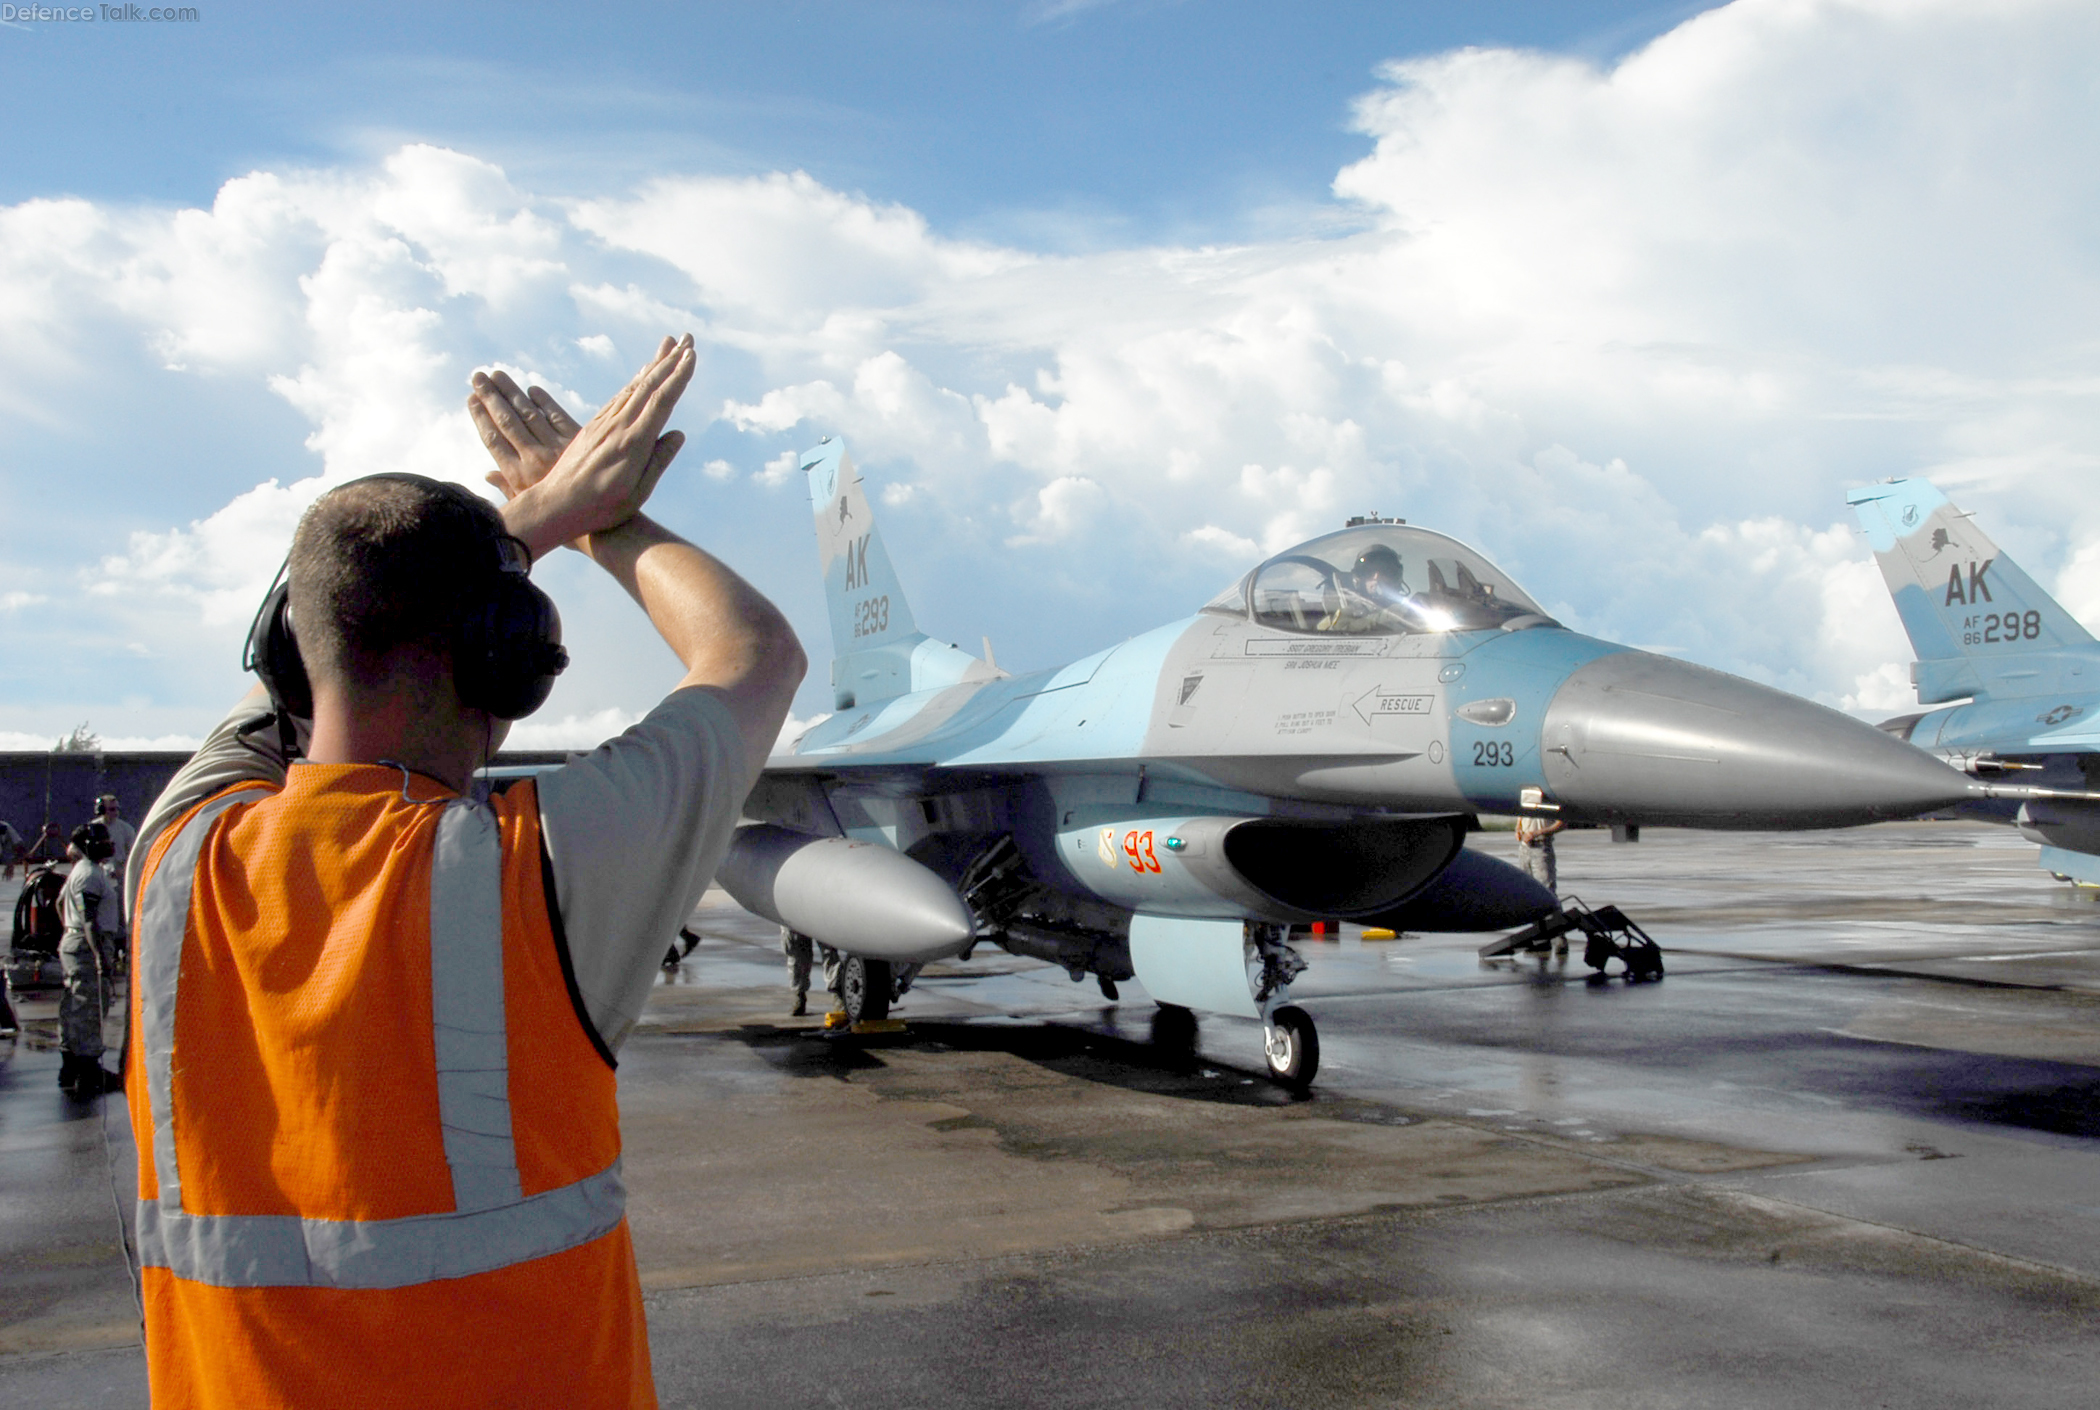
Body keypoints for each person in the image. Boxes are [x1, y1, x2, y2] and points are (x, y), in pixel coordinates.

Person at [124, 335, 804, 1409]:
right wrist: (601, 520)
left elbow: (286, 668)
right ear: (505, 655)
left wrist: (535, 520)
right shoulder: (538, 866)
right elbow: (758, 652)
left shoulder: (177, 853)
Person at [58, 821, 122, 1098]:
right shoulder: (89, 875)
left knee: (74, 1005)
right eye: (101, 840)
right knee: (89, 1008)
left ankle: (70, 1067)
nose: (108, 844)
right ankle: (88, 1071)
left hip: (77, 941)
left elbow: (60, 903)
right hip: (88, 946)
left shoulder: (84, 871)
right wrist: (99, 956)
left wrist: (68, 930)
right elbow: (89, 918)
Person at [1515, 810, 1566, 896]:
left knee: (1545, 885)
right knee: (1525, 884)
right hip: (1524, 847)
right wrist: (1518, 829)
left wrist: (1537, 833)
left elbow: (1562, 824)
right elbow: (1520, 817)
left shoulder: (1547, 805)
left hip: (1541, 845)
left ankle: (1547, 907)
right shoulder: (1527, 802)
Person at [90, 794, 136, 886]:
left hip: (120, 874)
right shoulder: (92, 828)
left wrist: (123, 869)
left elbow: (133, 854)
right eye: (112, 809)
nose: (116, 812)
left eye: (117, 809)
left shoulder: (126, 829)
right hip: (98, 873)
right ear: (101, 810)